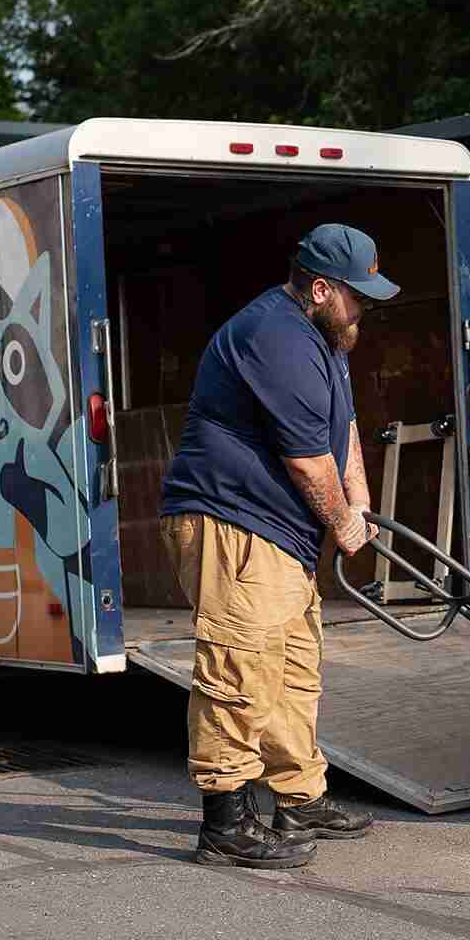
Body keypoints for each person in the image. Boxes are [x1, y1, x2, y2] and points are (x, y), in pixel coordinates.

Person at [159, 223, 398, 866]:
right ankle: (225, 824)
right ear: (320, 288)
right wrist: (342, 524)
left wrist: (362, 507)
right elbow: (305, 457)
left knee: (293, 667)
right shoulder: (275, 336)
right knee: (240, 668)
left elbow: (342, 433)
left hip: (279, 534)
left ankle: (299, 800)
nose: (367, 308)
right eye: (358, 295)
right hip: (233, 522)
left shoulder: (329, 342)